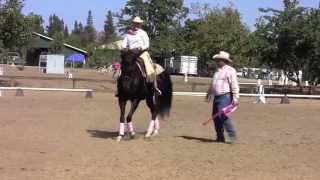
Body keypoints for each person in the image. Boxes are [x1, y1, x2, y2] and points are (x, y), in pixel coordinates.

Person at [121, 16, 161, 94]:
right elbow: (124, 43)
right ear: (133, 24)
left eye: (138, 24)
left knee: (150, 67)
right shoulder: (128, 33)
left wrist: (140, 48)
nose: (136, 25)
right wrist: (124, 48)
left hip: (141, 53)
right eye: (135, 23)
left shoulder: (143, 33)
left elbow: (147, 44)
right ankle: (120, 86)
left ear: (140, 24)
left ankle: (154, 87)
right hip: (130, 53)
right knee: (123, 65)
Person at [207, 51, 240, 144]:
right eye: (216, 60)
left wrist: (235, 98)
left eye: (218, 60)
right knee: (215, 117)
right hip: (217, 97)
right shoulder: (217, 71)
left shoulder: (230, 70)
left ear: (224, 60)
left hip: (225, 96)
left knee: (222, 114)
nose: (216, 61)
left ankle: (232, 135)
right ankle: (220, 137)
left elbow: (234, 85)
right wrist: (209, 94)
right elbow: (214, 84)